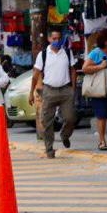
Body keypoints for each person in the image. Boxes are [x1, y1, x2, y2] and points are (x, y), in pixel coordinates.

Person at [30, 26, 77, 158]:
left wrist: (73, 88)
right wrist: (31, 92)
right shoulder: (43, 54)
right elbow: (35, 74)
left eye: (58, 38)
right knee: (47, 121)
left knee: (70, 118)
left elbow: (73, 70)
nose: (56, 40)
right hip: (49, 90)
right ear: (49, 39)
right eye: (54, 38)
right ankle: (49, 149)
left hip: (65, 90)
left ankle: (65, 135)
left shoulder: (67, 52)